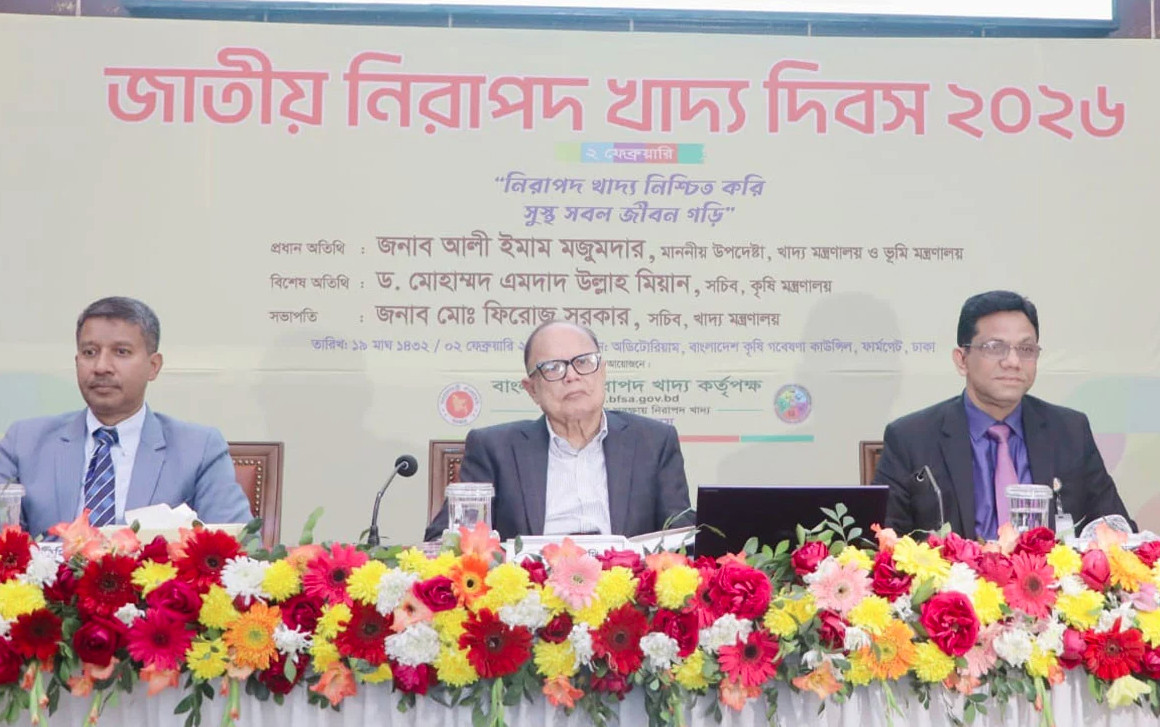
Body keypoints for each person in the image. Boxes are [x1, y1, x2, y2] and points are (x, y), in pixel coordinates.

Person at [874, 290, 1133, 540]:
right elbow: (881, 544)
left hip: (1048, 571)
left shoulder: (1070, 431)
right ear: (962, 360)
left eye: (1026, 349)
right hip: (955, 571)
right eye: (995, 347)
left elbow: (1118, 530)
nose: (1013, 361)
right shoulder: (911, 438)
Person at [0, 297, 253, 537]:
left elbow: (239, 545)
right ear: (77, 361)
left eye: (121, 352)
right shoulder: (25, 442)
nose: (101, 367)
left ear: (153, 366)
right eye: (89, 352)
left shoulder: (198, 449)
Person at [425, 320, 693, 541]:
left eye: (584, 362)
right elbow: (443, 540)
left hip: (627, 587)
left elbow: (683, 538)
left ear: (602, 372)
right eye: (553, 368)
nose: (571, 376)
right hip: (529, 587)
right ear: (532, 389)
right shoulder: (494, 449)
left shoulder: (653, 442)